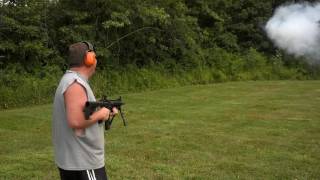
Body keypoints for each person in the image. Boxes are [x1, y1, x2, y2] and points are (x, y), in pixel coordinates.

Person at [52, 41, 117, 180]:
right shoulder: (75, 84)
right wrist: (101, 113)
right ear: (89, 59)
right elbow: (75, 120)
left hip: (77, 159)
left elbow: (82, 110)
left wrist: (101, 109)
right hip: (83, 161)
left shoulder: (71, 80)